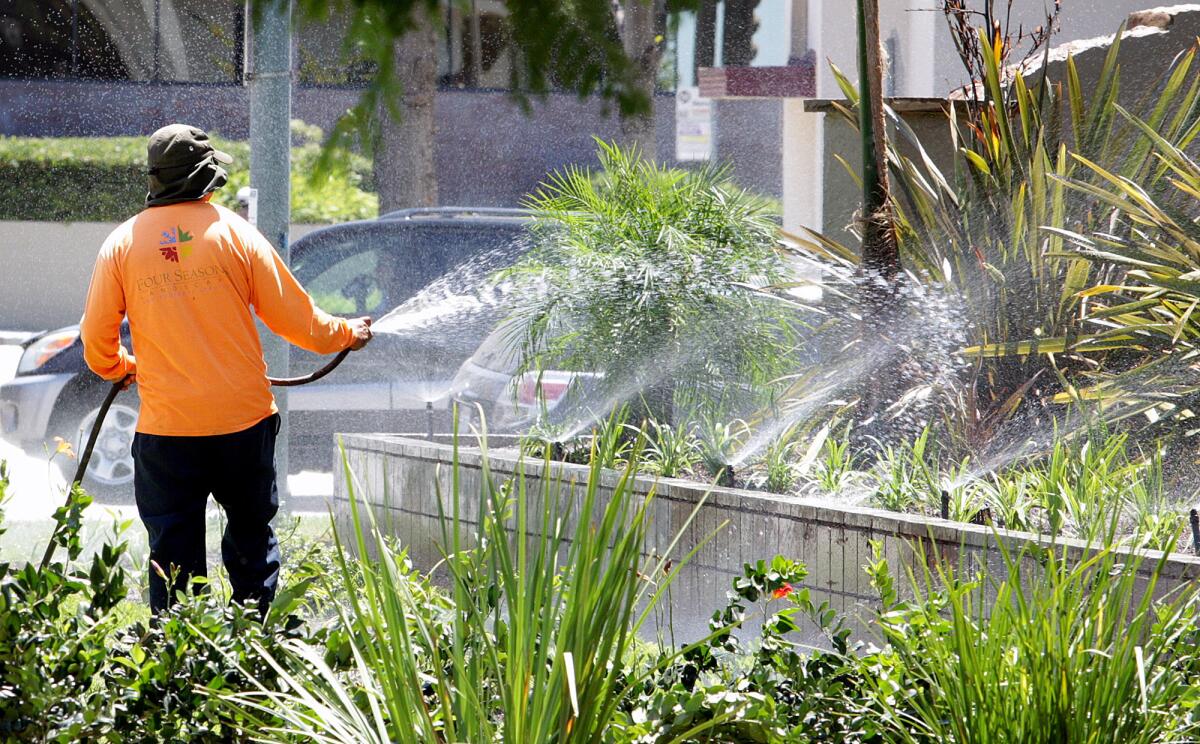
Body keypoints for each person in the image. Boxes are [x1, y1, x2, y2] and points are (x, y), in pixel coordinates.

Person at [80, 123, 372, 614]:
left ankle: (183, 667)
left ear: (155, 180)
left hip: (167, 431)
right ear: (207, 178)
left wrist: (123, 367)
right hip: (243, 423)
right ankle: (258, 654)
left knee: (172, 560)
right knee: (252, 543)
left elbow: (96, 346)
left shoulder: (123, 244)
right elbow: (302, 325)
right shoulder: (236, 234)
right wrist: (348, 333)